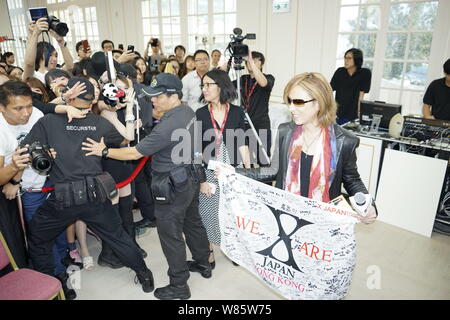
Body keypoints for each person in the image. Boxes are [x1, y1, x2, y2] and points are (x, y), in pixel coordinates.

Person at [19, 77, 154, 296]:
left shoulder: (48, 121)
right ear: (93, 100)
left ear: (69, 95)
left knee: (38, 237)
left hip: (63, 199)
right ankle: (144, 274)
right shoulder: (100, 123)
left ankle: (55, 283)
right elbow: (123, 141)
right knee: (118, 237)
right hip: (95, 196)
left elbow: (26, 149)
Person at [82, 73, 211, 300]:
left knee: (170, 234)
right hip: (189, 178)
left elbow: (134, 152)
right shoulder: (188, 111)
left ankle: (179, 285)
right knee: (192, 222)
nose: (153, 100)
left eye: (157, 96)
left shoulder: (167, 125)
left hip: (172, 185)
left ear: (173, 96)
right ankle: (203, 263)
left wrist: (103, 151)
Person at [218, 72, 377, 225]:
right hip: (286, 216)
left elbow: (352, 180)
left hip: (323, 221)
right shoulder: (285, 131)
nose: (292, 108)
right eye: (290, 101)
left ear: (319, 102)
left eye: (298, 102)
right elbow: (273, 170)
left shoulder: (344, 141)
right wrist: (235, 172)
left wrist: (369, 206)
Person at [195, 69, 250, 268]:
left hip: (232, 171)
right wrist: (202, 179)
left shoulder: (237, 112)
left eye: (209, 84)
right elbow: (194, 150)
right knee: (208, 212)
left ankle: (233, 247)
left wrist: (247, 173)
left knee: (232, 211)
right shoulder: (200, 114)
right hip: (209, 170)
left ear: (221, 86)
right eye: (203, 85)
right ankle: (209, 250)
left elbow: (243, 143)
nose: (205, 88)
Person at [235, 50, 275, 167]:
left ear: (261, 64)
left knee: (263, 159)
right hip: (244, 124)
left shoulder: (269, 78)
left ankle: (266, 185)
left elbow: (263, 83)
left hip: (260, 124)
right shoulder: (242, 79)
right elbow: (224, 84)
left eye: (255, 60)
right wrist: (228, 64)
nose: (250, 62)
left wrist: (251, 62)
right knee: (246, 161)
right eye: (248, 60)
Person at [22, 17, 74, 84]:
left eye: (56, 56)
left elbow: (70, 66)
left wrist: (61, 41)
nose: (54, 59)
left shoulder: (58, 72)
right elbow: (29, 64)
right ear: (39, 56)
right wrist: (34, 34)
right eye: (50, 55)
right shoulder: (34, 75)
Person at [330, 48, 371, 125]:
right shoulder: (340, 72)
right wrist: (330, 111)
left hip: (353, 115)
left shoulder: (365, 73)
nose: (346, 60)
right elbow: (329, 91)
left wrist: (360, 115)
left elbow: (361, 96)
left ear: (357, 59)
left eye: (349, 58)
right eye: (345, 58)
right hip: (338, 114)